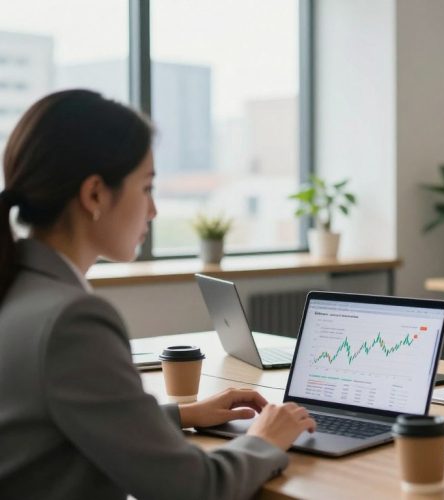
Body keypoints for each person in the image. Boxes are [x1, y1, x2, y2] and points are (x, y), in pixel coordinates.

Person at [0, 90, 316, 499]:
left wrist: (182, 414)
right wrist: (265, 439)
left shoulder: (19, 288)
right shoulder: (71, 320)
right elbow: (195, 489)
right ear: (95, 194)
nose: (153, 211)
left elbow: (54, 425)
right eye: (147, 188)